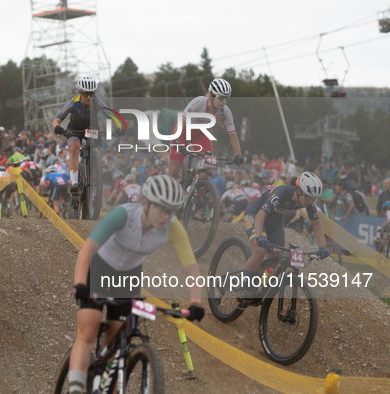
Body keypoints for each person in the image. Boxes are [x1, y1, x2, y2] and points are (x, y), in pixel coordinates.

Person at [66, 175, 205, 394]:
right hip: (100, 267)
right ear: (146, 203)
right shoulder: (123, 215)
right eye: (162, 209)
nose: (166, 216)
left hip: (128, 276)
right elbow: (87, 250)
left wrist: (196, 302)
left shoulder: (172, 227)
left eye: (171, 211)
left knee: (114, 336)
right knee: (88, 329)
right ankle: (74, 389)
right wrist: (80, 284)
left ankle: (101, 385)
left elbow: (191, 269)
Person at [237, 172, 329, 299]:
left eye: (314, 199)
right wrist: (260, 237)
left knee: (276, 259)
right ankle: (243, 287)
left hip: (274, 222)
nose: (311, 201)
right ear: (298, 191)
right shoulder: (281, 194)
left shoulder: (308, 201)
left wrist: (322, 247)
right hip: (255, 214)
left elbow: (316, 223)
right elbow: (260, 216)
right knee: (259, 251)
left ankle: (256, 280)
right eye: (309, 198)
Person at [167, 78, 243, 179]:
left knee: (209, 168)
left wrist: (238, 154)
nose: (224, 101)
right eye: (221, 98)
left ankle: (198, 191)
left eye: (226, 98)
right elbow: (182, 119)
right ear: (211, 95)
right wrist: (176, 140)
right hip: (182, 132)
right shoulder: (199, 101)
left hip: (201, 135)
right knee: (174, 170)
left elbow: (232, 134)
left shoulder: (226, 112)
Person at [52, 76, 114, 194]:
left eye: (92, 93)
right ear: (80, 92)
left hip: (91, 128)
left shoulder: (97, 102)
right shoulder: (73, 103)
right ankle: (74, 183)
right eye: (86, 94)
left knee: (97, 156)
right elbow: (56, 121)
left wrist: (120, 128)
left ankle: (95, 189)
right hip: (75, 128)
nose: (89, 97)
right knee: (74, 149)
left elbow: (111, 116)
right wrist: (58, 128)